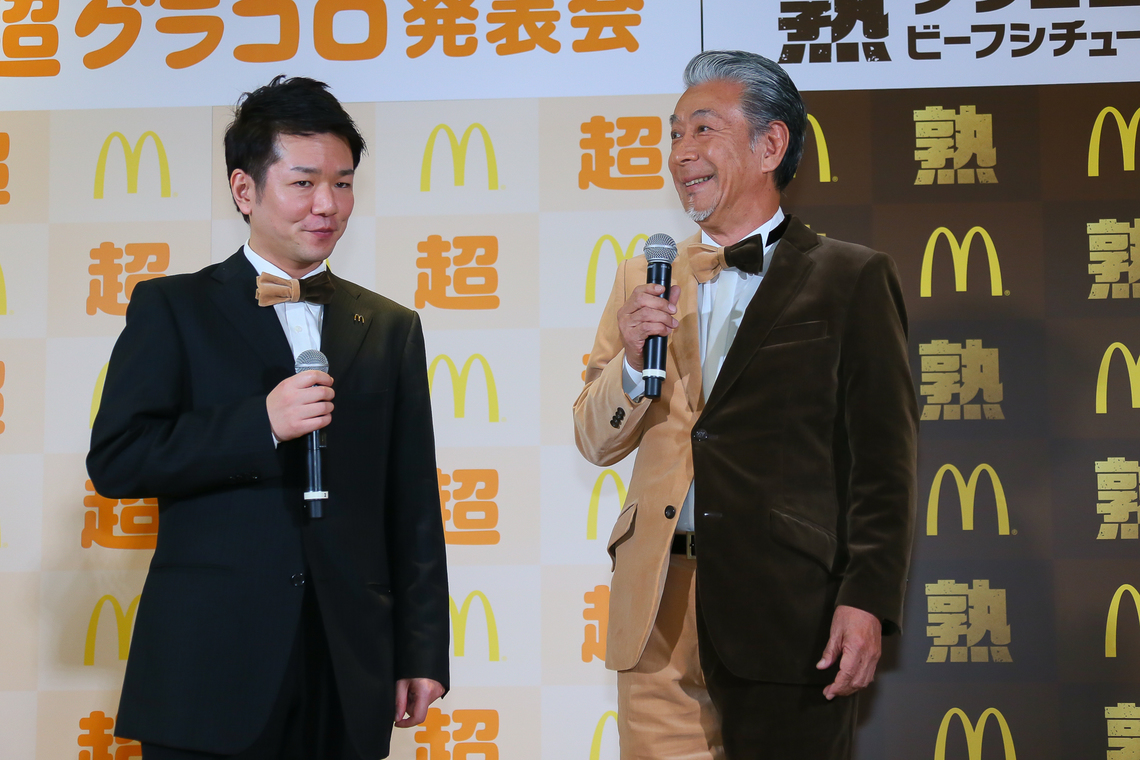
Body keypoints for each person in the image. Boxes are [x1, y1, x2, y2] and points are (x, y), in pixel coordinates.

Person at [87, 76, 449, 760]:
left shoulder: (390, 326)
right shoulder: (174, 308)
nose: (327, 205)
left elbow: (413, 504)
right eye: (304, 182)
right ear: (244, 190)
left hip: (348, 662)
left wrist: (422, 651)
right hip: (208, 664)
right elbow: (118, 459)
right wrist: (260, 424)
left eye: (343, 184)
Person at [573, 50, 917, 760]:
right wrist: (632, 363)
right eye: (674, 134)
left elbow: (883, 463)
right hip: (657, 603)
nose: (681, 153)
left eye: (703, 129)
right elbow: (593, 438)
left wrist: (867, 597)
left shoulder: (851, 277)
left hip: (788, 608)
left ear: (770, 145)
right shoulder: (644, 277)